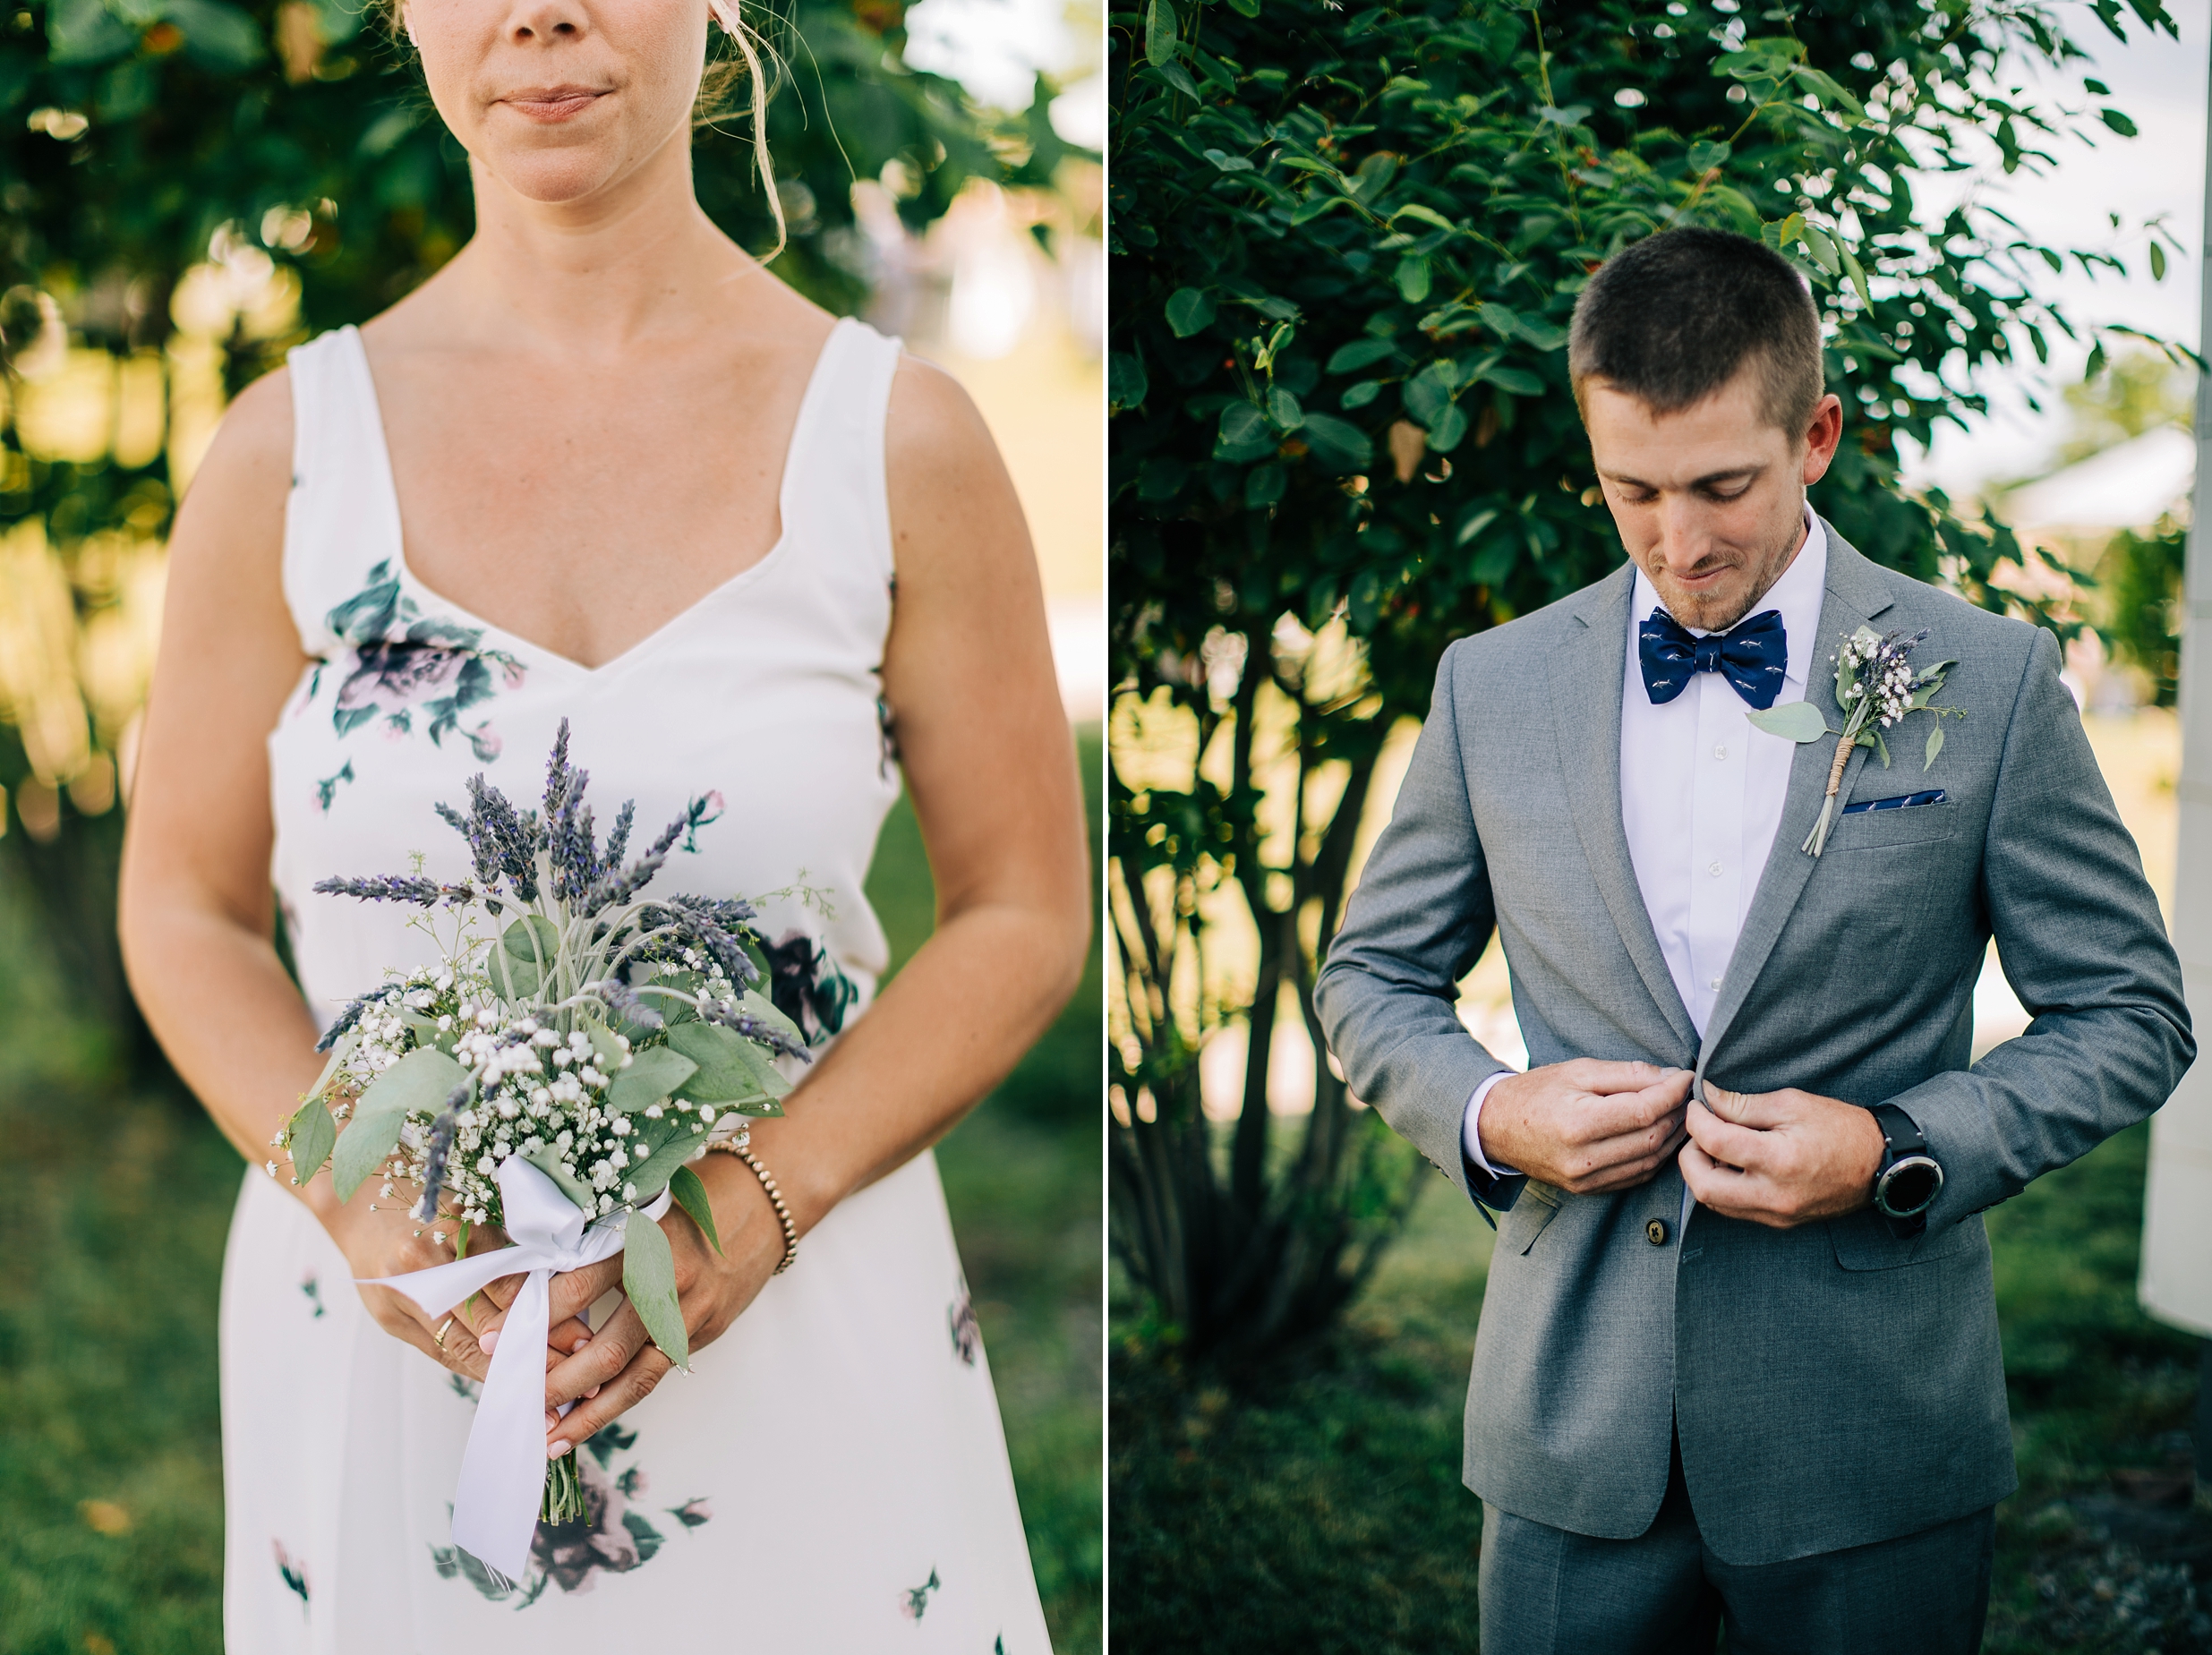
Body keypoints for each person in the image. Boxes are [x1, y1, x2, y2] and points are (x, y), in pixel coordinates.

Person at [115, 0, 1090, 1644]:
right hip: (390, 1327)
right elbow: (183, 910)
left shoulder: (898, 441)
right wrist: (366, 1207)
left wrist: (758, 1202)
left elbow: (1022, 908)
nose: (542, 14)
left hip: (794, 1310)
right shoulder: (289, 458)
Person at [1313, 226, 2192, 1652]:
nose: (1680, 542)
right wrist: (1491, 1110)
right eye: (1632, 490)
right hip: (1568, 1434)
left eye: (1724, 484)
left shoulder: (1993, 676)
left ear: (1818, 434)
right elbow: (1371, 979)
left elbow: (2132, 1013)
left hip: (1870, 1440)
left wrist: (1899, 1146)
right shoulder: (1494, 685)